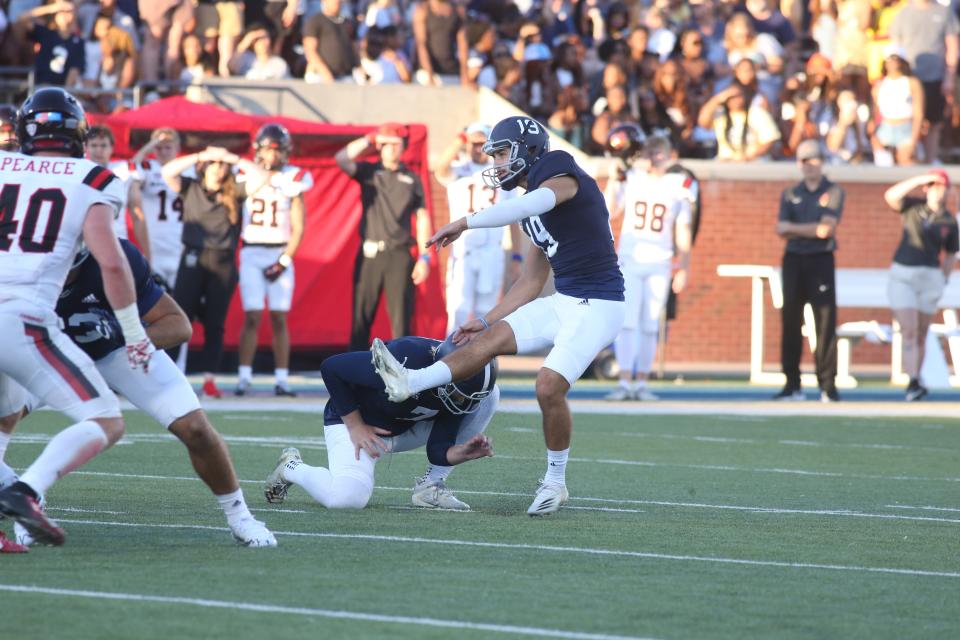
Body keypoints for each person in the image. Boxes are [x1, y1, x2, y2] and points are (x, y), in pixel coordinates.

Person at [371, 116, 625, 516]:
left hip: (600, 305)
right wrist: (488, 319)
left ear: (527, 151)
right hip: (565, 299)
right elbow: (531, 280)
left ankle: (556, 482)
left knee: (547, 387)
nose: (499, 163)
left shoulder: (559, 169)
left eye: (504, 153)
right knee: (482, 343)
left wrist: (463, 223)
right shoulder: (526, 206)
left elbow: (534, 202)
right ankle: (411, 382)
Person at [2, 240, 277, 547]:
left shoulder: (114, 259)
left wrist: (124, 335)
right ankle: (24, 496)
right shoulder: (16, 268)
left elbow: (178, 326)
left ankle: (240, 516)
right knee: (3, 418)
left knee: (196, 428)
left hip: (117, 352)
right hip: (47, 355)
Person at [0, 87, 153, 547]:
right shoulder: (93, 177)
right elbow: (110, 262)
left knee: (4, 417)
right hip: (22, 317)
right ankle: (23, 491)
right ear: (79, 133)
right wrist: (133, 333)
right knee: (107, 420)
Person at [264, 336, 498, 511]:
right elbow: (332, 367)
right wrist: (355, 425)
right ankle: (291, 467)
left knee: (490, 396)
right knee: (346, 499)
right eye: (460, 394)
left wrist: (461, 452)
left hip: (406, 426)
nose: (464, 403)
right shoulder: (407, 358)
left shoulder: (463, 394)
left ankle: (431, 486)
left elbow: (438, 449)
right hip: (357, 424)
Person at [161, 146, 270, 398]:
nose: (219, 170)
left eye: (223, 166)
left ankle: (209, 379)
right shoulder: (191, 187)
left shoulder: (235, 191)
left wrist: (233, 158)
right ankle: (170, 376)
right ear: (205, 167)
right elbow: (168, 171)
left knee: (215, 323)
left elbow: (263, 178)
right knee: (180, 317)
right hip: (193, 258)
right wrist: (201, 155)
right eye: (215, 165)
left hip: (223, 262)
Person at [606, 134, 693, 401]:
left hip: (660, 261)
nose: (655, 157)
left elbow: (683, 228)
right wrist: (612, 179)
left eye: (660, 152)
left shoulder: (681, 183)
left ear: (670, 156)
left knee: (650, 324)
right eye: (651, 152)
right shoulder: (632, 177)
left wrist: (684, 266)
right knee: (627, 322)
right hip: (630, 260)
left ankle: (641, 382)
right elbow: (609, 210)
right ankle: (624, 382)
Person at [335, 123, 432, 351]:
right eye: (386, 144)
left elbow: (423, 218)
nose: (391, 149)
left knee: (401, 321)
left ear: (403, 147)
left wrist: (425, 257)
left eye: (396, 145)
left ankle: (404, 374)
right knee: (361, 318)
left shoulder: (412, 178)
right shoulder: (370, 172)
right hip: (370, 253)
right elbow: (341, 159)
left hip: (399, 253)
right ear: (380, 147)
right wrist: (369, 139)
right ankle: (355, 376)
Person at [236, 124, 311, 398]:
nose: (274, 155)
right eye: (269, 148)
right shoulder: (245, 172)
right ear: (259, 149)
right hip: (251, 251)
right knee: (252, 315)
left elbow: (299, 225)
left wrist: (284, 260)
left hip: (279, 250)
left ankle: (282, 379)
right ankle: (244, 377)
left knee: (279, 317)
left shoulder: (295, 176)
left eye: (278, 150)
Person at [774, 139, 845, 402]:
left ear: (822, 162)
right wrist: (811, 229)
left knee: (824, 322)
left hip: (820, 259)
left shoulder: (833, 192)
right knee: (790, 321)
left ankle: (827, 384)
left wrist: (798, 229)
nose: (810, 165)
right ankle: (792, 383)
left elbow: (826, 228)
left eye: (814, 159)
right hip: (793, 259)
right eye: (805, 160)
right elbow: (780, 228)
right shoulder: (791, 193)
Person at [435, 123, 522, 335]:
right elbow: (440, 168)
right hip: (464, 251)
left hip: (492, 251)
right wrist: (461, 138)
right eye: (474, 144)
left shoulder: (500, 172)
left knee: (488, 311)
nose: (477, 149)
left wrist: (517, 256)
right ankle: (451, 361)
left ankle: (483, 363)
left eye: (482, 144)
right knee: (459, 309)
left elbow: (513, 217)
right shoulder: (459, 169)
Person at [882, 171, 958, 401]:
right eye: (933, 186)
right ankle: (913, 380)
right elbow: (891, 196)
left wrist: (943, 277)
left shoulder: (948, 220)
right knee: (910, 329)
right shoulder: (913, 207)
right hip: (904, 273)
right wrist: (918, 180)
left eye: (941, 186)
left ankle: (915, 379)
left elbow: (952, 253)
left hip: (930, 276)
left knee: (921, 334)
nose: (937, 190)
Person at [889, 0, 959, 164]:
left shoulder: (944, 12)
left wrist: (949, 76)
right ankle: (905, 160)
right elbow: (895, 46)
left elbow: (952, 47)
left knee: (934, 121)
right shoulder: (904, 12)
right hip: (909, 78)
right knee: (909, 120)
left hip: (935, 77)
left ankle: (929, 160)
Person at [124, 128, 187, 287]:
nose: (164, 152)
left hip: (180, 243)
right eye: (159, 147)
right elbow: (131, 170)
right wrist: (150, 145)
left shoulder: (188, 168)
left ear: (177, 148)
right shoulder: (147, 167)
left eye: (168, 147)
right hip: (154, 244)